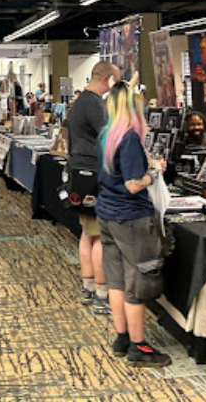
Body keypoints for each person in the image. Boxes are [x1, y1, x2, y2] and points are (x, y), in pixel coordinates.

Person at [97, 81, 171, 367]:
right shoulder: (128, 138)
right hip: (130, 218)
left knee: (115, 280)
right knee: (138, 282)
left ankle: (123, 337)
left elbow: (115, 173)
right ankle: (139, 346)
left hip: (107, 214)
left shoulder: (106, 135)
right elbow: (132, 185)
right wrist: (153, 175)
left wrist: (147, 165)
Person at [66, 60, 121, 315]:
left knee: (87, 233)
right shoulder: (93, 103)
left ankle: (89, 288)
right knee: (99, 235)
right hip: (93, 173)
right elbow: (110, 136)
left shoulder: (81, 101)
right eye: (115, 81)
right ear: (107, 79)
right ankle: (101, 293)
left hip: (81, 172)